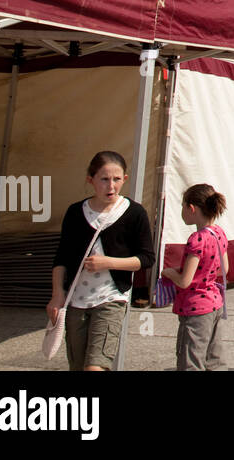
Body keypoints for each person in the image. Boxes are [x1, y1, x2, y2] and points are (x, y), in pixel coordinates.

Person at [49, 151, 155, 371]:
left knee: (95, 367)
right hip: (76, 299)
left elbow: (146, 258)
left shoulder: (134, 212)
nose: (111, 186)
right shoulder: (75, 212)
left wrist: (108, 262)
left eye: (117, 179)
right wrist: (57, 294)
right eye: (104, 179)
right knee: (78, 366)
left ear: (125, 179)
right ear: (91, 179)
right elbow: (62, 257)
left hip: (112, 298)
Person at [161, 183, 229, 371]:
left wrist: (168, 272)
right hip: (214, 302)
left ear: (191, 208)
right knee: (214, 358)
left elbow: (185, 280)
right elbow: (225, 268)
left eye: (183, 206)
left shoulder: (197, 239)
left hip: (195, 308)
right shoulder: (219, 233)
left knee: (190, 359)